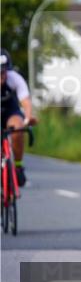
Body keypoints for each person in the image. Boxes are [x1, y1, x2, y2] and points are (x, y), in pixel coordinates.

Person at [1, 48, 36, 186]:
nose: (1, 76)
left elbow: (25, 101)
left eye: (3, 72)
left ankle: (18, 166)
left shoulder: (14, 78)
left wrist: (27, 118)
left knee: (18, 128)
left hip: (10, 111)